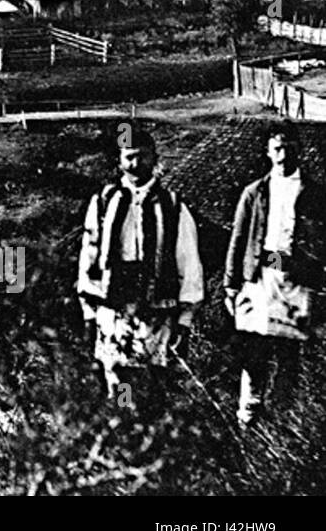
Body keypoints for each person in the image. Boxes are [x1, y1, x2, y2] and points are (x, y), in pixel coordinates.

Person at [76, 123, 203, 399]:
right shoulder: (103, 202)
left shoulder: (172, 206)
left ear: (154, 158)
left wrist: (185, 319)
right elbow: (90, 256)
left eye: (142, 156)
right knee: (119, 380)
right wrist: (89, 312)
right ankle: (126, 430)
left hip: (156, 310)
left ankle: (153, 432)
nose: (135, 163)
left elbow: (188, 261)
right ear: (119, 160)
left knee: (156, 382)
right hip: (114, 307)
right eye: (129, 156)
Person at [225, 123, 326, 426]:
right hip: (260, 279)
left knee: (288, 353)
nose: (283, 156)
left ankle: (283, 419)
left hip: (296, 283)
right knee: (253, 350)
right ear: (268, 153)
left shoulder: (316, 193)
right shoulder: (254, 193)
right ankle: (248, 415)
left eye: (289, 148)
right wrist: (231, 284)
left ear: (300, 150)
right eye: (277, 149)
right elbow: (238, 239)